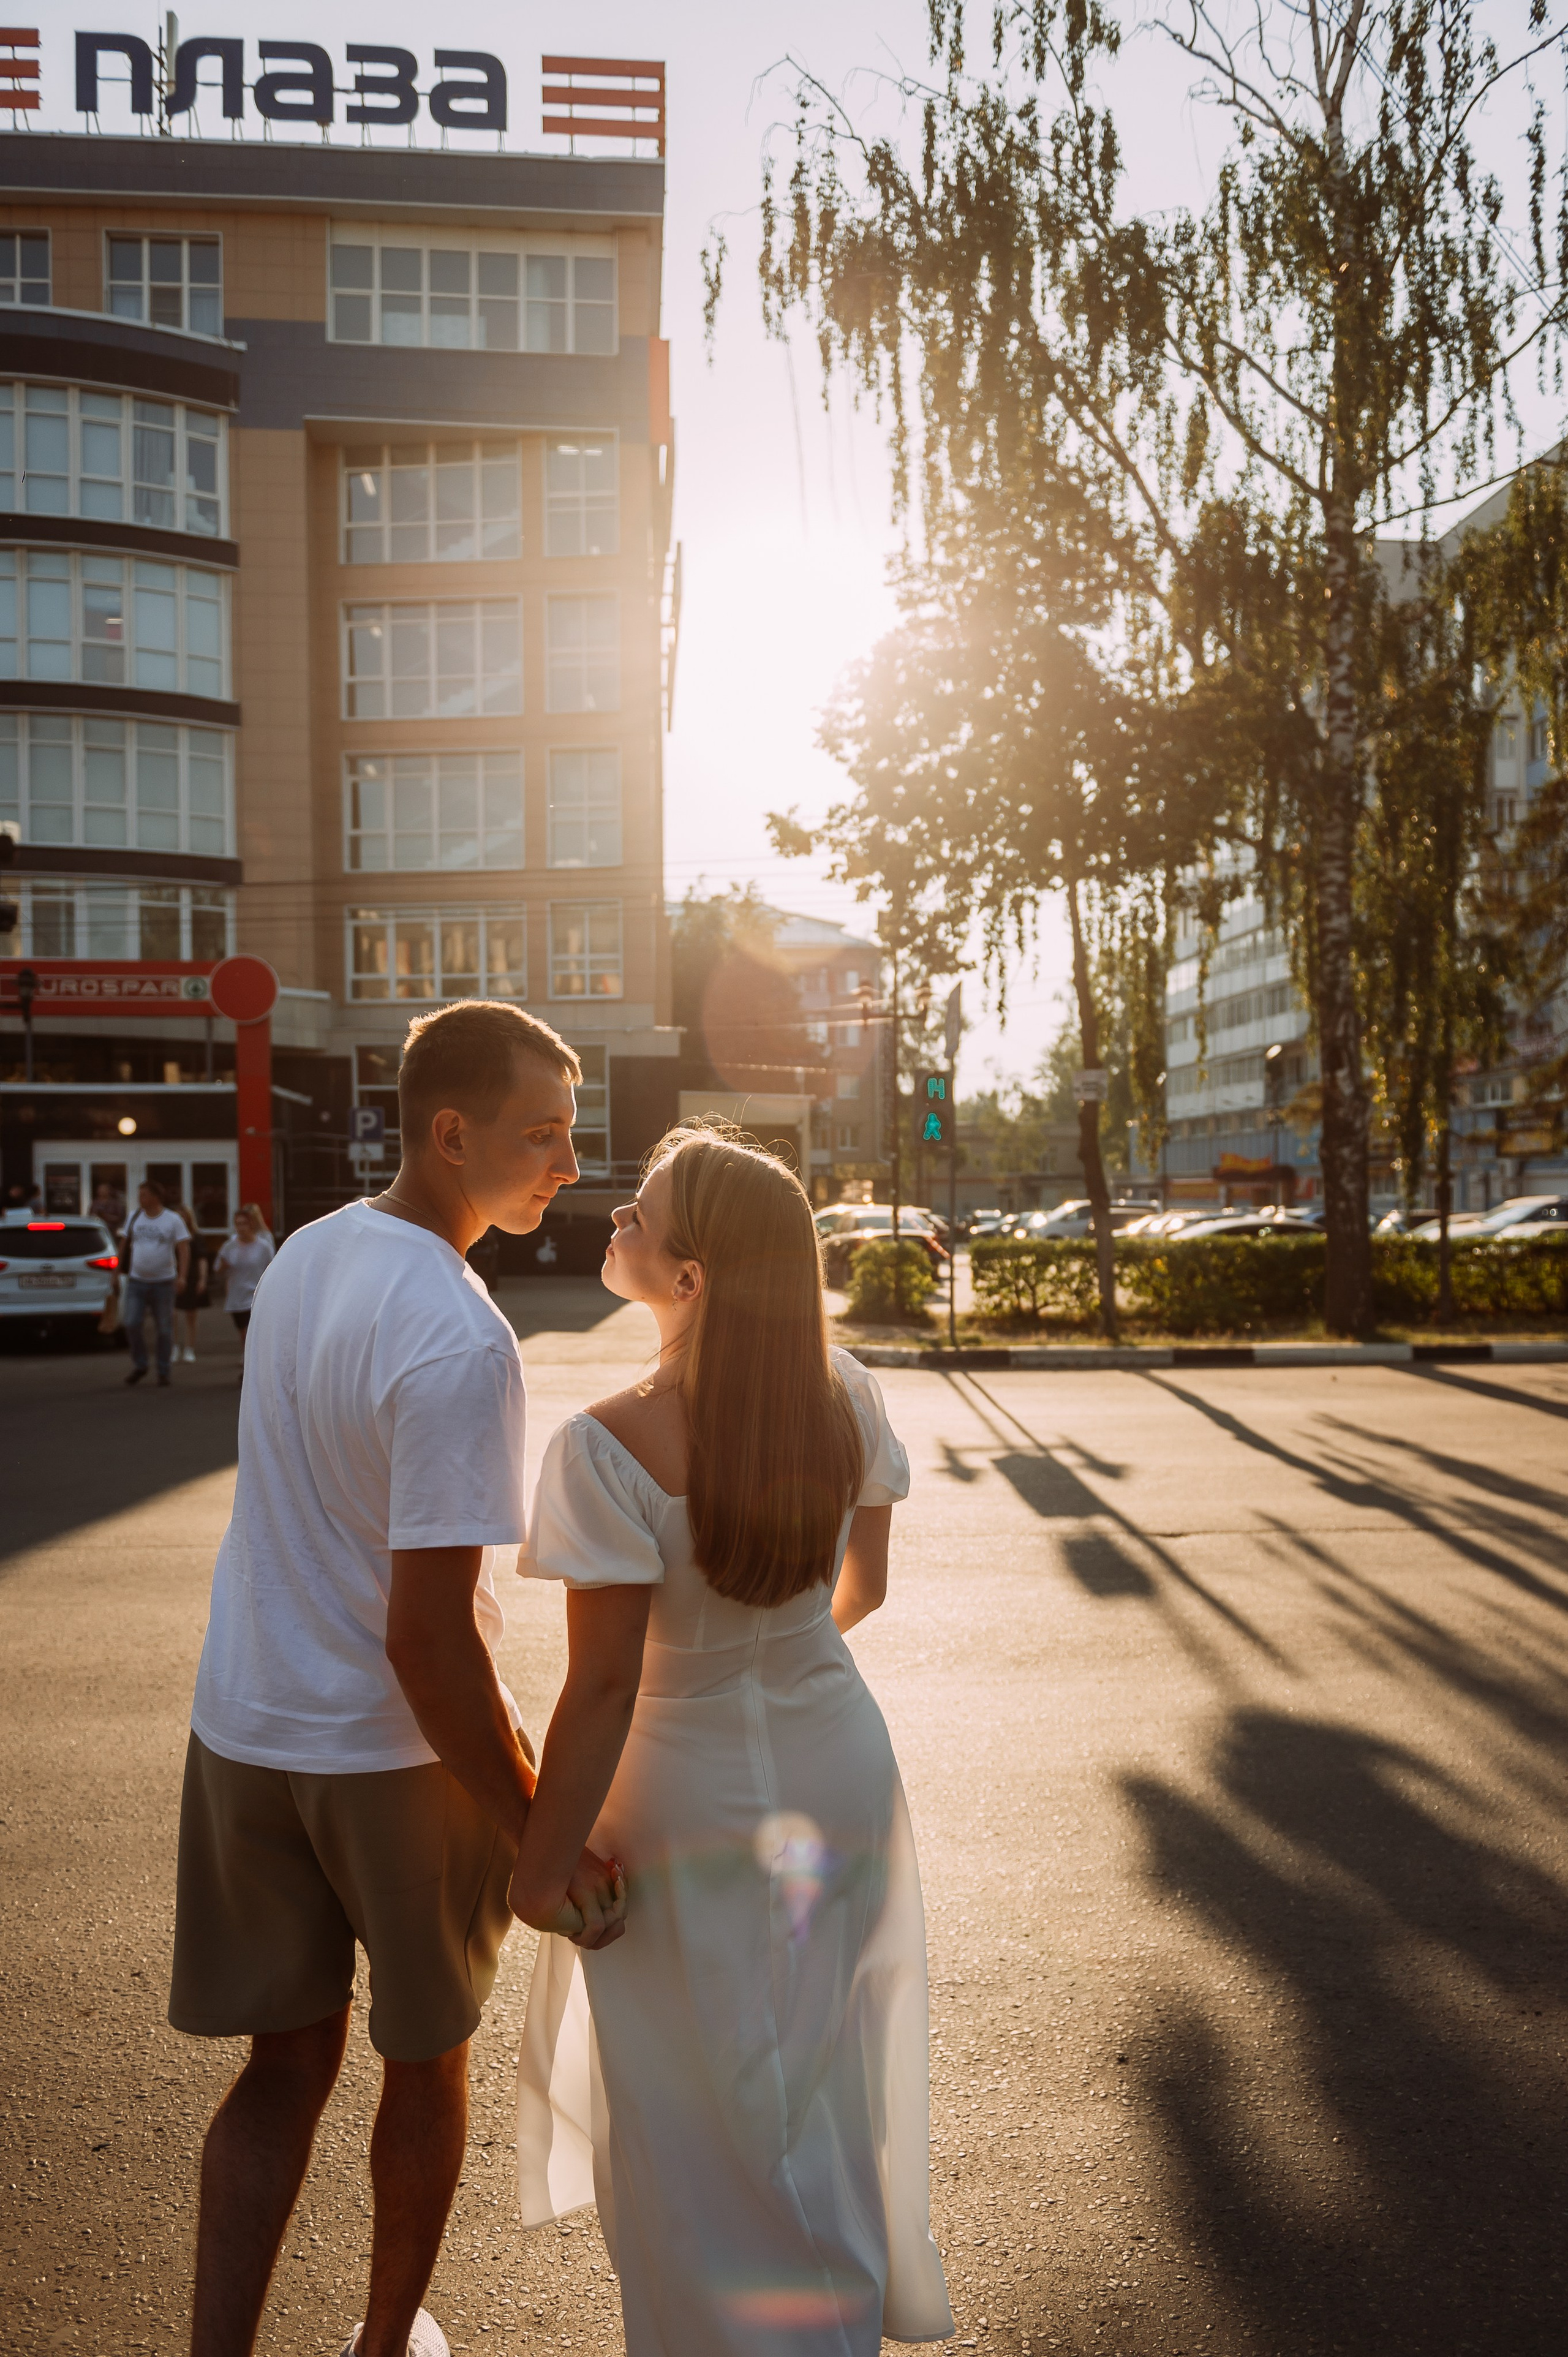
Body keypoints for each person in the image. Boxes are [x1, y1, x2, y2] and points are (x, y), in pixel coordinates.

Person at [168, 1000, 626, 2357]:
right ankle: (380, 2348)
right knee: (421, 2060)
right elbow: (429, 1640)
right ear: (450, 1132)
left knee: (282, 2063)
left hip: (245, 1725)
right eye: (539, 1132)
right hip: (387, 1756)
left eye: (570, 1128)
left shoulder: (307, 1254)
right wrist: (535, 1813)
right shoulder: (460, 1333)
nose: (566, 1159)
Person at [513, 1127, 954, 2357]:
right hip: (835, 1761)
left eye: (637, 1215)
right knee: (819, 2071)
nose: (613, 1219)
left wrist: (535, 1868)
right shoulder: (846, 1391)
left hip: (678, 1792)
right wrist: (770, 1643)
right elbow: (857, 1588)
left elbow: (600, 1688)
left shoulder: (601, 1445)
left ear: (691, 1276)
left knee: (682, 2109)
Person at [122, 1178, 190, 1389]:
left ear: (155, 1197)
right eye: (140, 1195)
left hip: (163, 1282)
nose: (140, 1199)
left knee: (164, 1328)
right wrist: (115, 1273)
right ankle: (141, 1364)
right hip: (137, 1281)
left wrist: (182, 1276)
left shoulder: (172, 1219)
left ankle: (163, 1370)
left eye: (144, 1195)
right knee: (132, 1322)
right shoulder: (134, 1217)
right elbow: (124, 1244)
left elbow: (184, 1248)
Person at [214, 1202, 276, 1376]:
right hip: (237, 1295)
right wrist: (223, 1268)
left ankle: (250, 1369)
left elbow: (272, 1269)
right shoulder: (230, 1246)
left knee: (249, 1333)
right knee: (243, 1334)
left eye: (244, 1224)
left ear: (251, 1225)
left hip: (256, 1295)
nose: (240, 1228)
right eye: (238, 1224)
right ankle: (251, 1360)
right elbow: (218, 1269)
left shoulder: (263, 1246)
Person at [173, 1201, 211, 1363]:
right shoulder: (171, 1236)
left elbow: (202, 1259)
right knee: (171, 1314)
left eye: (184, 1216)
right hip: (172, 1275)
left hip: (192, 1276)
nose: (181, 1218)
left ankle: (190, 1348)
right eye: (179, 1216)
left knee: (191, 1315)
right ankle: (174, 1347)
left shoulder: (196, 1237)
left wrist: (203, 1279)